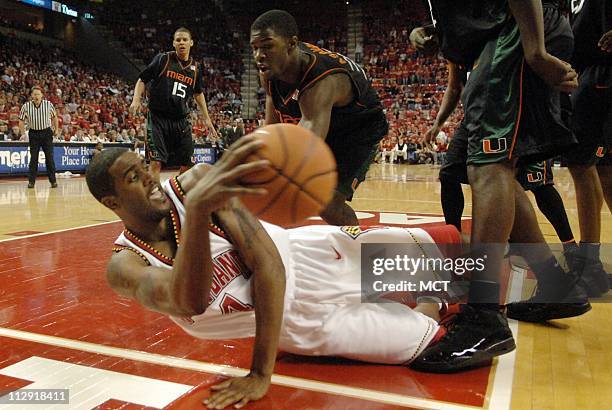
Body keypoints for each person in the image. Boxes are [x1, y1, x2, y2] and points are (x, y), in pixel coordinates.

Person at [86, 139, 462, 408]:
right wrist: (199, 215)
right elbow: (191, 301)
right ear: (112, 203)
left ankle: (437, 292)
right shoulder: (125, 266)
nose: (150, 178)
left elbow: (270, 266)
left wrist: (260, 373)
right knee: (431, 347)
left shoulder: (196, 184)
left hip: (315, 260)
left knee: (465, 262)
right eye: (133, 178)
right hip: (296, 325)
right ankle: (431, 306)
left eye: (145, 166)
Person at [409, 0, 590, 373]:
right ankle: (556, 284)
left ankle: (483, 314)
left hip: (518, 31)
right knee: (478, 166)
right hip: (503, 39)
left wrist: (536, 50)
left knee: (488, 166)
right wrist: (438, 34)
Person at [251, 10, 389, 226]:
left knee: (327, 202)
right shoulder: (268, 71)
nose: (259, 55)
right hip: (329, 121)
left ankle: (357, 248)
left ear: (291, 44)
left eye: (267, 46)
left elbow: (307, 145)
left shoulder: (322, 80)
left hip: (360, 131)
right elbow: (272, 123)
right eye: (255, 48)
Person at [429, 61, 577, 255]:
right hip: (476, 117)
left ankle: (570, 247)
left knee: (539, 184)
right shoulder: (457, 44)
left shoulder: (506, 37)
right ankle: (455, 239)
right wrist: (438, 122)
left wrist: (556, 70)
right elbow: (454, 86)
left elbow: (540, 52)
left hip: (518, 111)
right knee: (450, 173)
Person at [559, 0, 612, 296]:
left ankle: (589, 265)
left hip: (601, 74)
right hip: (588, 74)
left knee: (583, 165)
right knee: (602, 172)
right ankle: (590, 263)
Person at [129, 27, 219, 181]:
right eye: (178, 40)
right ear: (173, 43)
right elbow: (142, 79)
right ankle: (153, 199)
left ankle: (174, 195)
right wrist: (136, 99)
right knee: (155, 163)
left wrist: (207, 119)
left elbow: (198, 93)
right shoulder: (163, 59)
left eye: (185, 39)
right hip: (158, 119)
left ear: (191, 43)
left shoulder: (196, 68)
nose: (181, 42)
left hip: (181, 121)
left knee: (187, 164)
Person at [19, 86, 58, 189]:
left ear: (42, 95)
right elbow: (21, 120)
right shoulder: (26, 106)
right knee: (34, 159)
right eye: (34, 94)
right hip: (34, 134)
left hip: (46, 133)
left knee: (49, 158)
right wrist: (23, 133)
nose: (36, 96)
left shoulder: (48, 104)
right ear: (32, 95)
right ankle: (31, 181)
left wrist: (56, 129)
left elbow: (55, 117)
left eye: (38, 94)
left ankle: (53, 181)